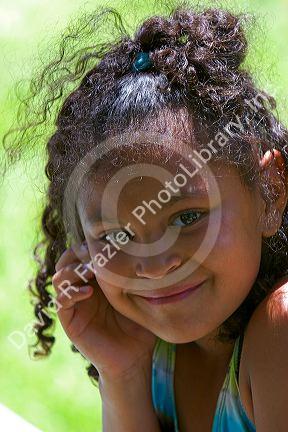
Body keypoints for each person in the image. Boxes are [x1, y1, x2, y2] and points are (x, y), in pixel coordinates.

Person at [3, 3, 288, 431]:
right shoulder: (154, 347)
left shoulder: (279, 332)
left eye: (187, 216)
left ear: (270, 192)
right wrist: (122, 375)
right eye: (116, 237)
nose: (156, 265)